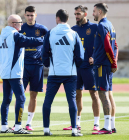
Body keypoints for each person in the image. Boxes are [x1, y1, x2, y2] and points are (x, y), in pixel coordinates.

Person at [0, 14, 43, 134]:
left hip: (5, 73)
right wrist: (44, 39)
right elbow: (30, 41)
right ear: (15, 24)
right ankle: (17, 126)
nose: (22, 24)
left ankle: (4, 126)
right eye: (20, 22)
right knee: (21, 98)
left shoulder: (0, 37)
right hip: (15, 73)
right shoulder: (15, 35)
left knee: (6, 99)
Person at [42, 9, 84, 136]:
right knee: (71, 100)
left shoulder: (50, 33)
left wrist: (48, 64)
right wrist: (75, 66)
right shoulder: (73, 34)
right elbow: (80, 56)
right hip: (70, 73)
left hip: (54, 73)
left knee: (48, 101)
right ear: (68, 19)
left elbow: (44, 53)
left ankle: (46, 130)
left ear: (57, 18)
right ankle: (74, 130)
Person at [63, 5, 100, 131]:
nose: (76, 16)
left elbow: (100, 44)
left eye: (78, 14)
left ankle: (96, 124)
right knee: (77, 95)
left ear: (85, 13)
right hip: (76, 68)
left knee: (94, 94)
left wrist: (94, 57)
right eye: (75, 14)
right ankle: (77, 123)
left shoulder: (94, 27)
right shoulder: (72, 29)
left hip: (89, 67)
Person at [19, 6, 48, 131]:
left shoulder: (42, 29)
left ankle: (29, 123)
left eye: (32, 15)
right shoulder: (20, 28)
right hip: (23, 66)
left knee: (33, 95)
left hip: (37, 66)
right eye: (28, 15)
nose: (30, 17)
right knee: (20, 95)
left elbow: (49, 43)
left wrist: (46, 56)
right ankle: (17, 122)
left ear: (36, 15)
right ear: (25, 16)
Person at [90, 3, 118, 134]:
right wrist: (114, 61)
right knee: (107, 93)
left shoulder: (101, 25)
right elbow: (115, 46)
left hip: (102, 65)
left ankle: (106, 127)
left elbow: (108, 46)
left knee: (102, 93)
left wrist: (113, 63)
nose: (93, 14)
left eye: (94, 11)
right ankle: (111, 125)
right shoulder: (110, 25)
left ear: (100, 12)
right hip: (106, 64)